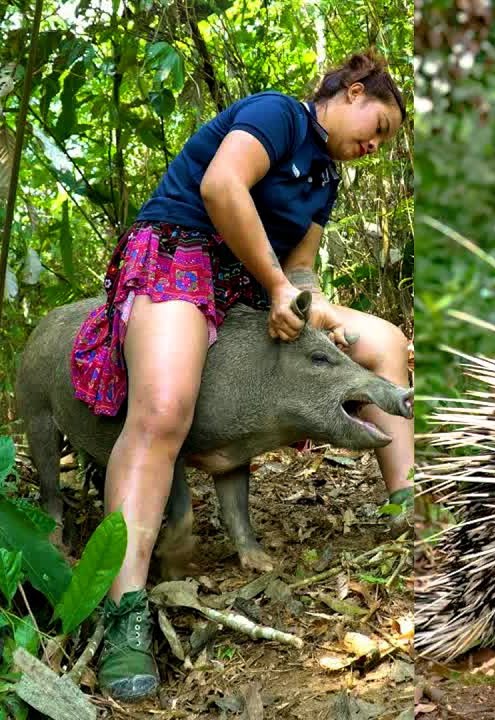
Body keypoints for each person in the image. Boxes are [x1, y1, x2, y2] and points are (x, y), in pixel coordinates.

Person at [70, 51, 409, 700]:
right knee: (163, 409)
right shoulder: (277, 115)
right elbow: (221, 186)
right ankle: (125, 610)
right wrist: (279, 285)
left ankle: (404, 507)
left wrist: (305, 308)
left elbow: (302, 267)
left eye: (385, 141)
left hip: (251, 291)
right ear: (351, 91)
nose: (375, 144)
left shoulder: (328, 181)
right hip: (179, 253)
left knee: (385, 342)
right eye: (378, 127)